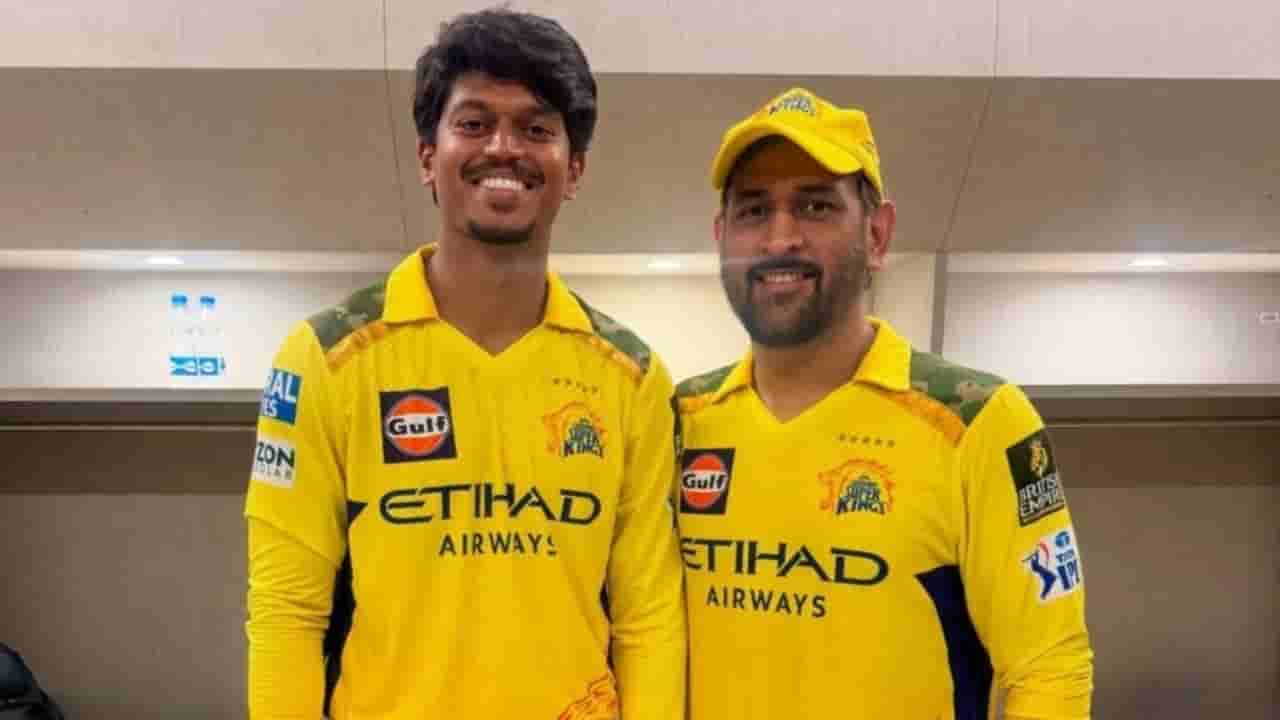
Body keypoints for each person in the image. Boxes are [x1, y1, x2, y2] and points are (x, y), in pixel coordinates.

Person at [244, 9, 685, 719]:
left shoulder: (630, 375)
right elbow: (285, 608)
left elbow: (649, 617)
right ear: (428, 155)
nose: (503, 148)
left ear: (573, 168)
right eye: (475, 123)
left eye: (536, 129)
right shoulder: (326, 357)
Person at [674, 88, 1093, 719]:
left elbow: (1050, 667)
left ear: (876, 234)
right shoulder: (677, 421)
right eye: (754, 210)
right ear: (721, 237)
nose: (780, 237)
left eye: (815, 206)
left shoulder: (979, 420)